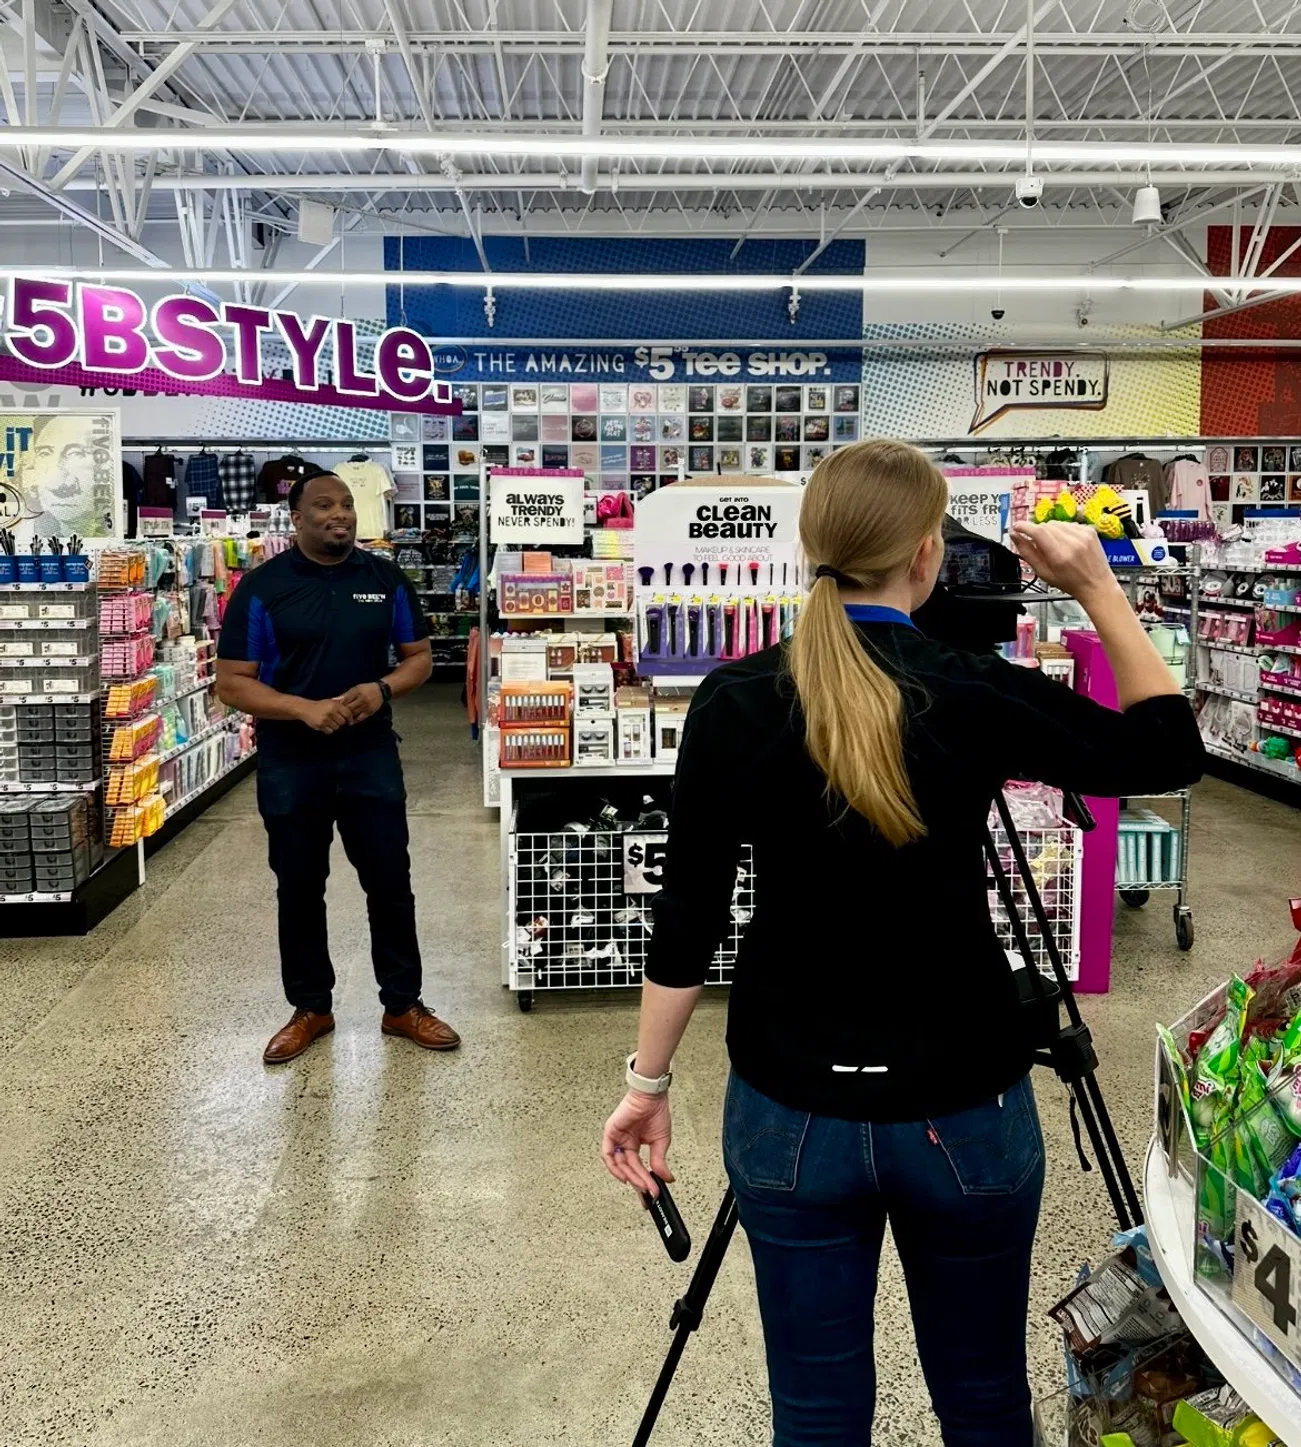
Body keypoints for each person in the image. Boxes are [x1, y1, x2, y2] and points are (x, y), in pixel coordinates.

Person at [601, 440, 1205, 1446]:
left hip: (788, 1105)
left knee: (816, 1410)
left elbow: (687, 917)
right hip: (960, 1098)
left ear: (812, 552)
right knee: (979, 1398)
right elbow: (1163, 748)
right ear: (925, 555)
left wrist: (647, 1085)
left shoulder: (736, 698)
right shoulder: (968, 686)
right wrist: (1095, 584)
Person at [215, 471, 460, 1065]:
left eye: (346, 505)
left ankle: (403, 1005)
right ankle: (311, 1009)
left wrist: (382, 689)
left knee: (390, 884)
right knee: (299, 887)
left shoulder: (385, 579)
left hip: (369, 754)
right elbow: (231, 683)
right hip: (291, 762)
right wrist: (302, 708)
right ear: (295, 518)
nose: (339, 515)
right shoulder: (262, 589)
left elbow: (419, 659)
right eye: (323, 506)